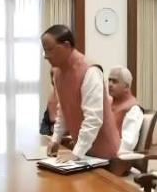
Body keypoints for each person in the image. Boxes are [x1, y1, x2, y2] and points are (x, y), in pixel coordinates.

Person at [41, 24, 120, 161]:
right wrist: (55, 139)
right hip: (84, 154)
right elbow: (63, 110)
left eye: (50, 50)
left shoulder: (90, 70)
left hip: (105, 157)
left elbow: (93, 119)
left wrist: (76, 153)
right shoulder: (58, 73)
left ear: (66, 45)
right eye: (44, 51)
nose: (46, 56)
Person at [107, 65, 144, 154]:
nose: (110, 84)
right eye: (109, 80)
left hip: (116, 158)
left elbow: (128, 144)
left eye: (115, 81)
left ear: (126, 86)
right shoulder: (108, 104)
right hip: (99, 156)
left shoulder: (134, 109)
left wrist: (104, 149)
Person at [39, 69, 58, 136]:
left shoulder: (71, 98)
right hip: (55, 138)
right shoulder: (51, 99)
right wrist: (52, 129)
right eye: (54, 76)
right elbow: (43, 129)